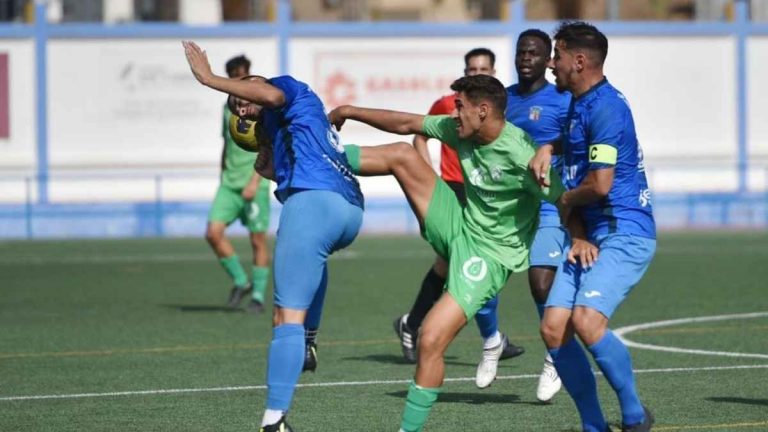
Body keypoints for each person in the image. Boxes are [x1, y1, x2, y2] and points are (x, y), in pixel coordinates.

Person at [329, 74, 566, 432]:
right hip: (458, 225)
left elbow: (565, 201)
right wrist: (349, 110)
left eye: (460, 107)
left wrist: (582, 239)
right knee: (402, 154)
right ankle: (315, 159)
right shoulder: (461, 129)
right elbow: (406, 122)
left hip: (489, 257)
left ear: (483, 111)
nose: (453, 114)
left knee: (430, 338)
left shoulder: (522, 155)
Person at [183, 41, 364, 432]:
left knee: (284, 318)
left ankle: (273, 420)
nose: (240, 105)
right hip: (348, 210)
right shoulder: (293, 122)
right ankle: (310, 341)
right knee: (311, 264)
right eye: (235, 107)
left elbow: (268, 94)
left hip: (313, 208)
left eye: (241, 96)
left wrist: (210, 78)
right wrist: (266, 155)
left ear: (254, 82)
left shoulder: (283, 87)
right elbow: (273, 167)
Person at [529, 21, 656, 432]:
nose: (551, 64)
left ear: (579, 61)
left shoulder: (607, 107)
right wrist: (550, 145)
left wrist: (565, 203)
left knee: (585, 320)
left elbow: (599, 184)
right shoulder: (580, 103)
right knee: (553, 328)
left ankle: (635, 416)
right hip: (590, 234)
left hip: (625, 232)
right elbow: (579, 148)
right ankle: (593, 426)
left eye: (558, 55)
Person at [394, 47, 525, 374]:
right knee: (471, 260)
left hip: (482, 192)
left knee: (448, 265)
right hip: (454, 188)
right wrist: (430, 177)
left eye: (482, 68)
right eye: (470, 69)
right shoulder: (450, 104)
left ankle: (412, 323)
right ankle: (490, 337)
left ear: (494, 73)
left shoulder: (498, 107)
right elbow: (419, 136)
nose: (475, 72)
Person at [495, 29, 572, 400]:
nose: (526, 58)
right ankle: (491, 342)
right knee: (477, 278)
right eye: (521, 52)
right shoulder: (503, 100)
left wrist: (548, 146)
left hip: (547, 204)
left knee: (540, 282)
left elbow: (578, 138)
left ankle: (555, 353)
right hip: (508, 206)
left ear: (547, 60)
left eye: (534, 53)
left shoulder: (562, 98)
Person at [206, 54, 272, 313]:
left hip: (254, 183)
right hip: (229, 183)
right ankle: (241, 281)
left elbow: (267, 144)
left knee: (257, 240)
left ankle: (257, 296)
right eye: (233, 74)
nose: (237, 79)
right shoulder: (227, 108)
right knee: (213, 233)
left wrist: (256, 180)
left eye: (241, 74)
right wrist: (222, 171)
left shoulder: (260, 105)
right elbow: (226, 142)